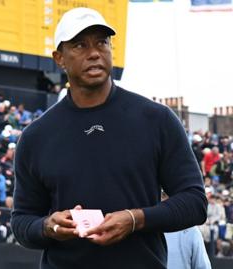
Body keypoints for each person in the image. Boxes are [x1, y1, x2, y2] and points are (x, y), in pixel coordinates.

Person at [11, 7, 207, 269]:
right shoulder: (36, 137)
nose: (94, 53)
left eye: (102, 42)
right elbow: (22, 221)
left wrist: (135, 219)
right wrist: (48, 226)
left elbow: (195, 202)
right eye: (80, 45)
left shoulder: (156, 120)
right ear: (59, 58)